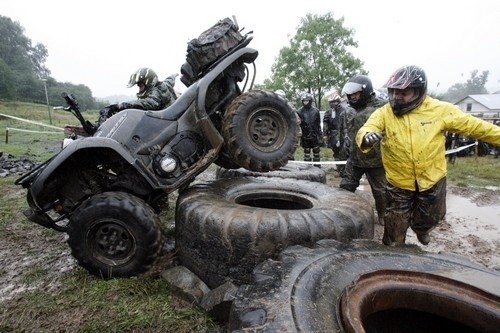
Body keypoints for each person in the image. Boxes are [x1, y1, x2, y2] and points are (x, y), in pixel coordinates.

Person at [356, 65, 500, 246]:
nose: (397, 97)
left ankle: (421, 229)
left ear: (418, 91)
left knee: (431, 217)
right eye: (393, 92)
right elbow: (367, 128)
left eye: (403, 92)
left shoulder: (440, 110)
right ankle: (393, 249)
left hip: (432, 179)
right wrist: (367, 137)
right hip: (399, 182)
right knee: (394, 226)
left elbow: (476, 126)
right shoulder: (385, 113)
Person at [339, 75, 387, 226]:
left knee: (381, 193)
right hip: (354, 159)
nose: (352, 97)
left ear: (365, 91)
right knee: (345, 188)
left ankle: (383, 217)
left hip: (376, 161)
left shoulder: (383, 108)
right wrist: (346, 139)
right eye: (350, 94)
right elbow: (347, 127)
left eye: (356, 94)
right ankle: (341, 215)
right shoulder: (349, 110)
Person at [99, 67, 178, 123]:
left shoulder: (158, 92)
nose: (140, 90)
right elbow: (169, 80)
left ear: (149, 83)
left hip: (168, 127)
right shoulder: (163, 87)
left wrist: (121, 106)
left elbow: (150, 103)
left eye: (141, 86)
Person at [296, 92, 322, 165]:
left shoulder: (316, 111)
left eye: (307, 101)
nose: (305, 102)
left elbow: (318, 123)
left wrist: (320, 134)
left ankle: (317, 165)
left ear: (310, 101)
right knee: (306, 151)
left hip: (314, 135)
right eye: (304, 101)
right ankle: (307, 166)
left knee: (316, 151)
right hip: (305, 135)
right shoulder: (299, 111)